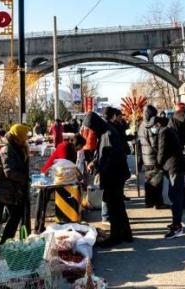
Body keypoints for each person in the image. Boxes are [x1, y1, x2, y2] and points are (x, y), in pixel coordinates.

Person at [84, 111, 133, 247]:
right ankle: (126, 234)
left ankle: (116, 237)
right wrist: (95, 162)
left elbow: (113, 158)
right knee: (118, 206)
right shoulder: (104, 132)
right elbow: (101, 153)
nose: (92, 131)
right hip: (112, 175)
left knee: (114, 206)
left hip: (114, 176)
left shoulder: (109, 134)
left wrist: (101, 169)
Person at [0, 124, 30, 250]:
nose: (26, 139)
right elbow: (9, 172)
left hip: (7, 189)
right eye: (24, 136)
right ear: (18, 136)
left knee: (15, 214)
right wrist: (24, 179)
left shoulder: (17, 147)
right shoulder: (7, 150)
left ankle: (4, 244)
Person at [34, 134, 86, 233]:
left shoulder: (72, 149)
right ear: (78, 144)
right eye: (81, 146)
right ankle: (38, 227)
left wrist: (79, 177)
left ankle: (66, 223)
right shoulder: (65, 146)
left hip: (59, 177)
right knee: (43, 201)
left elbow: (70, 167)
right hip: (48, 176)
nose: (81, 149)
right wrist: (78, 176)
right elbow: (64, 165)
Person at [152, 115, 185, 239]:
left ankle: (178, 227)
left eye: (154, 126)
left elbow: (162, 151)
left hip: (174, 167)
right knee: (174, 195)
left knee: (175, 197)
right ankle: (175, 222)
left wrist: (158, 164)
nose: (154, 129)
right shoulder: (169, 130)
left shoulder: (163, 132)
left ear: (158, 124)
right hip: (174, 166)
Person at [139, 104, 165, 208]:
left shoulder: (141, 124)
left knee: (149, 181)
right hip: (153, 157)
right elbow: (154, 143)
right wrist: (160, 153)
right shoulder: (151, 125)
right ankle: (158, 203)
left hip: (146, 158)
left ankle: (148, 202)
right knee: (157, 182)